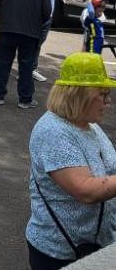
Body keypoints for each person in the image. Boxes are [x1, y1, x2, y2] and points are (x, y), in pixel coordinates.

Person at [26, 52, 116, 269]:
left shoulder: (88, 124)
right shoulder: (53, 132)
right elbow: (86, 190)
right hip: (59, 253)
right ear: (80, 95)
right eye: (103, 94)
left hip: (95, 243)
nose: (108, 101)